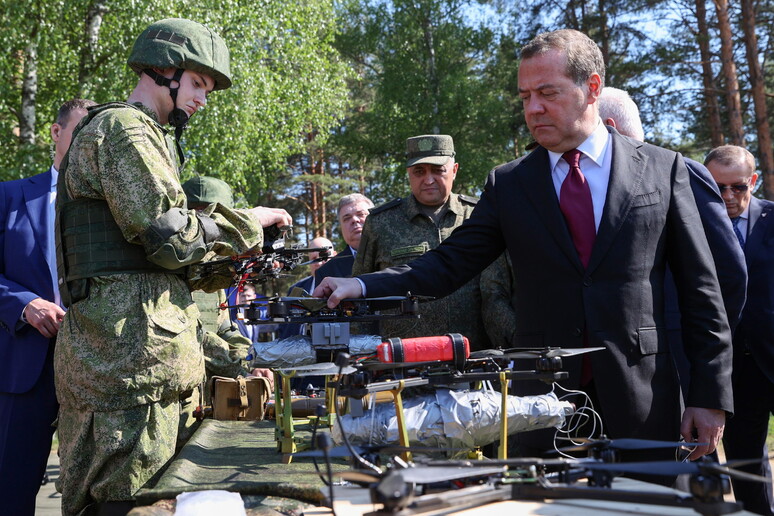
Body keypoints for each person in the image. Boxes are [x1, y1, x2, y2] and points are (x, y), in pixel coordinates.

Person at [315, 29, 732, 462]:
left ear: (591, 88)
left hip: (644, 399)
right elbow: (448, 265)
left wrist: (709, 395)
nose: (533, 109)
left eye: (547, 93)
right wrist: (362, 287)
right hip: (540, 402)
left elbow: (702, 293)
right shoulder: (511, 183)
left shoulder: (664, 169)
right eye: (525, 96)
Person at [54, 19, 291, 515]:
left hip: (139, 359)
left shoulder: (147, 136)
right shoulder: (125, 130)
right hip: (128, 365)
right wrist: (251, 222)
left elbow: (157, 260)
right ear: (165, 70)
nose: (203, 99)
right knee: (127, 498)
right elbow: (171, 238)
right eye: (199, 84)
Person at [596, 87, 747, 398]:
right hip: (621, 368)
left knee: (691, 447)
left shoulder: (677, 171)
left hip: (682, 360)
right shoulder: (594, 185)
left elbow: (730, 273)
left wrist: (706, 347)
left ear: (608, 126)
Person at [0, 98, 93, 516]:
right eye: (79, 133)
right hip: (25, 367)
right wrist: (25, 304)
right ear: (56, 133)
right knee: (12, 489)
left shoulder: (112, 210)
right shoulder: (10, 196)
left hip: (96, 367)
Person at [353, 134, 489, 349]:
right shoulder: (381, 223)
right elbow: (359, 301)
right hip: (402, 361)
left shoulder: (479, 216)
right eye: (419, 171)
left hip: (474, 357)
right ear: (409, 174)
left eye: (438, 170)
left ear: (454, 170)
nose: (428, 179)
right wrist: (363, 355)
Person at [706, 145, 774, 516]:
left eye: (738, 187)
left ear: (754, 181)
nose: (729, 197)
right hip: (731, 371)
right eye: (719, 188)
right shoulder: (693, 229)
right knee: (746, 469)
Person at [314, 193, 373, 284]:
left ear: (374, 217)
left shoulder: (396, 252)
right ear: (341, 227)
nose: (354, 220)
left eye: (360, 214)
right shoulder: (326, 273)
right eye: (347, 218)